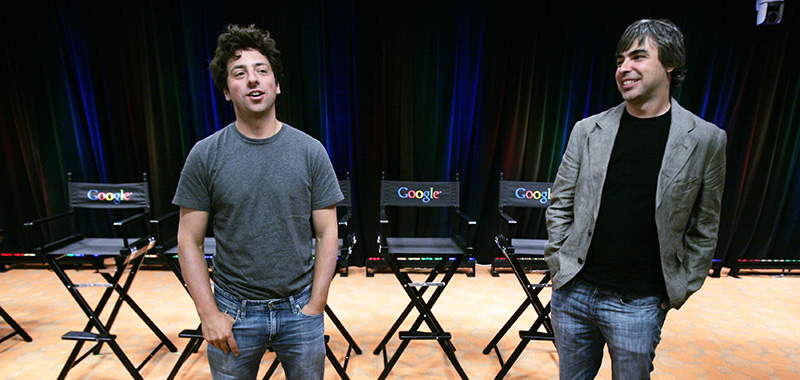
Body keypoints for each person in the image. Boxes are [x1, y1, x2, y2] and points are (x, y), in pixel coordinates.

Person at [544, 19, 726, 379]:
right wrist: (559, 263)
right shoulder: (587, 130)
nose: (624, 68)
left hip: (641, 304)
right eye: (620, 59)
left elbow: (706, 226)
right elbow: (560, 203)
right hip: (574, 294)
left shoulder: (706, 139)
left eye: (638, 57)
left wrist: (679, 287)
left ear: (670, 63)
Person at [173, 24, 343, 380]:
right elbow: (188, 240)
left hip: (300, 309)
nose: (253, 80)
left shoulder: (311, 152)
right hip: (232, 312)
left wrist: (317, 304)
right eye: (240, 73)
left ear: (276, 85)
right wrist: (208, 313)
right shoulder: (205, 155)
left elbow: (328, 234)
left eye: (261, 71)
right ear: (226, 91)